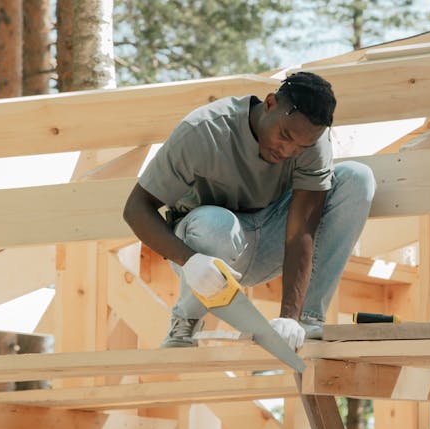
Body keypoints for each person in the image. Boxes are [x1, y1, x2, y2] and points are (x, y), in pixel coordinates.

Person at [123, 70, 376, 349]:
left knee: (357, 178)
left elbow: (300, 231)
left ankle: (307, 320)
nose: (289, 150)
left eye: (300, 146)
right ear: (269, 104)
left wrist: (289, 317)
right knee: (215, 225)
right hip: (207, 249)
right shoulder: (204, 130)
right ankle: (186, 321)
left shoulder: (312, 144)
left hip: (270, 239)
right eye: (285, 136)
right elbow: (136, 209)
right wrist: (190, 261)